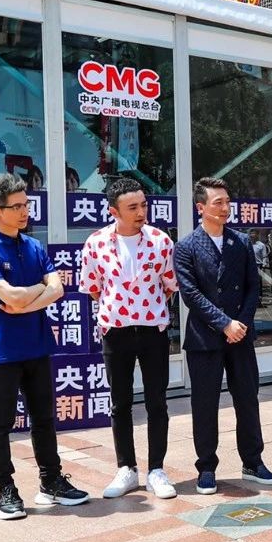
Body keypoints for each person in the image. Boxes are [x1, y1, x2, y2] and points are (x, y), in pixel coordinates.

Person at [0, 173, 88, 520]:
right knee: (0, 423)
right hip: (2, 350)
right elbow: (12, 296)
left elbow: (58, 289)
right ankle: (5, 488)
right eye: (16, 206)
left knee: (44, 419)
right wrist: (36, 291)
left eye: (26, 204)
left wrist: (25, 301)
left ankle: (51, 481)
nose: (24, 212)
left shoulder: (34, 247)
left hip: (37, 346)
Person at [175, 177, 272, 495]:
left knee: (247, 399)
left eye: (227, 202)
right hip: (204, 338)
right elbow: (191, 294)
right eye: (217, 202)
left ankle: (253, 461)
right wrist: (224, 323)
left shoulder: (241, 242)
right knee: (204, 404)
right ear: (201, 207)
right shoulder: (186, 247)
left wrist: (240, 324)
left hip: (240, 336)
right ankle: (206, 468)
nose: (224, 208)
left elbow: (253, 287)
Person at [81, 178, 179, 501]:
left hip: (153, 330)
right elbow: (94, 288)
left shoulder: (161, 241)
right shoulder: (96, 243)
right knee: (120, 402)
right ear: (114, 211)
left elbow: (169, 285)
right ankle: (126, 468)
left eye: (144, 205)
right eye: (132, 207)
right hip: (116, 331)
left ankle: (157, 469)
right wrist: (121, 310)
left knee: (157, 401)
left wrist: (145, 309)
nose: (141, 213)